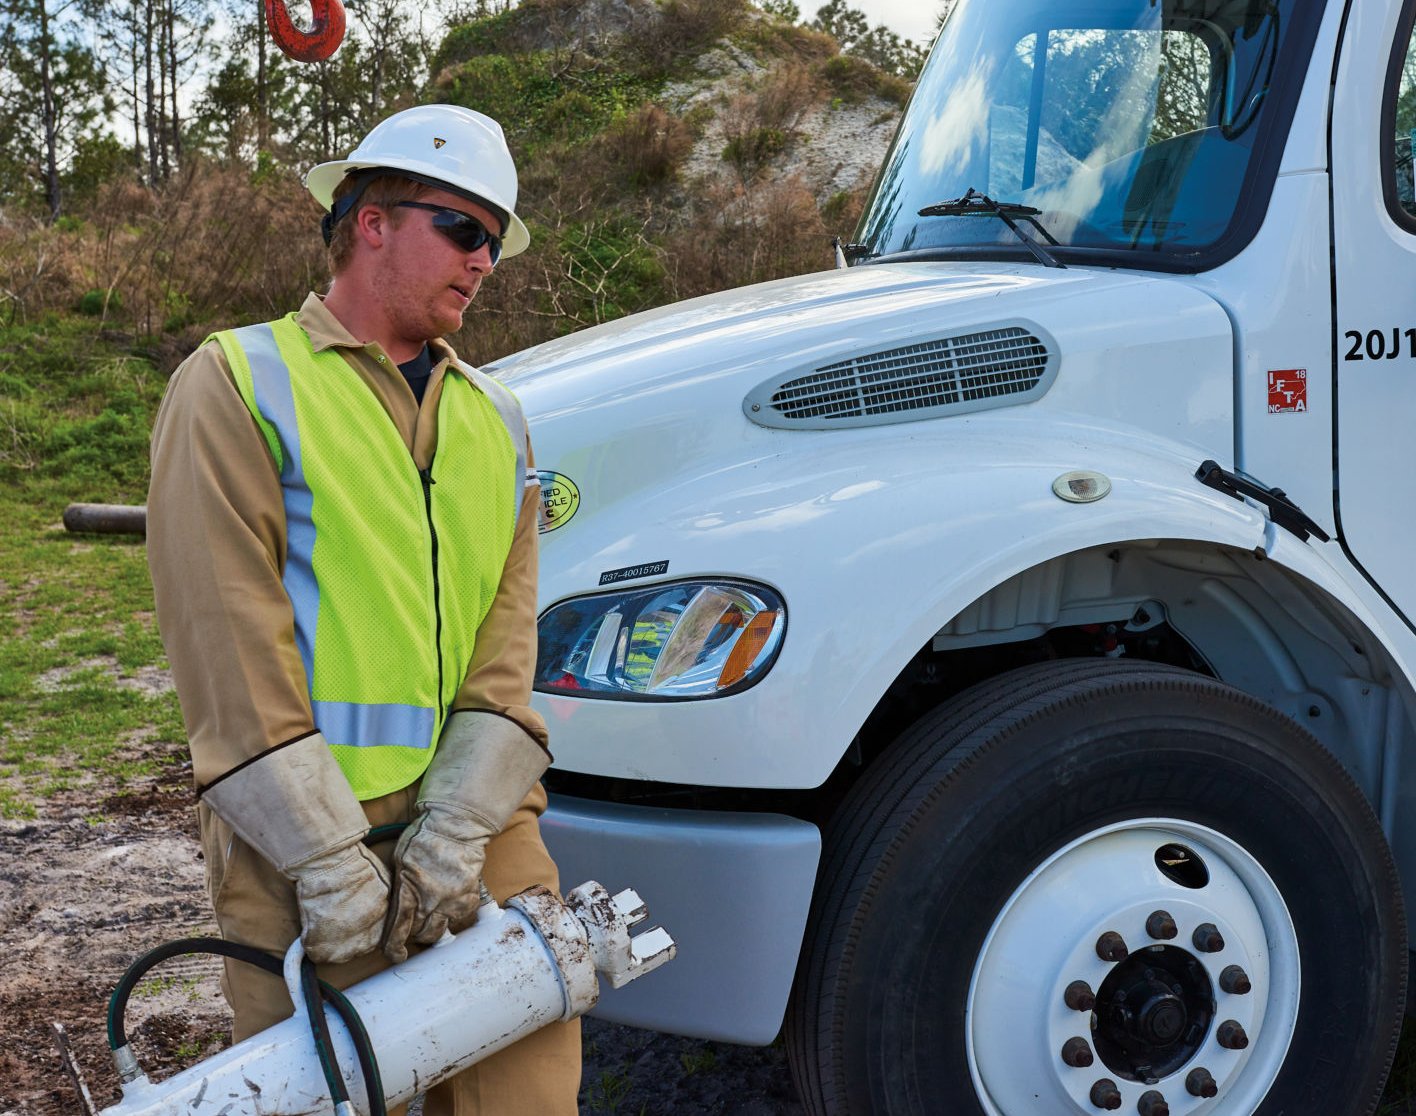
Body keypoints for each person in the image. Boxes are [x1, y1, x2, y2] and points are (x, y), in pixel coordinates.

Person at [146, 103, 580, 1115]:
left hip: (473, 827)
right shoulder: (240, 383)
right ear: (370, 220)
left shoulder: (496, 418)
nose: (483, 261)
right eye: (463, 229)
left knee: (525, 1094)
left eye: (495, 243)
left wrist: (465, 824)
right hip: (304, 840)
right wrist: (325, 857)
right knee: (337, 1094)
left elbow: (505, 648)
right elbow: (227, 649)